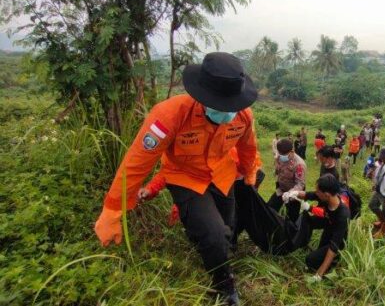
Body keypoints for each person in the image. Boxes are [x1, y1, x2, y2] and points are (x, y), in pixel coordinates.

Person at [93, 52, 259, 305]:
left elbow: (248, 147)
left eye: (232, 108)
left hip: (223, 176)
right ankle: (224, 287)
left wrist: (248, 171)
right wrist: (113, 208)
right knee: (214, 234)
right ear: (202, 97)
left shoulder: (244, 116)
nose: (228, 114)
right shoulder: (169, 115)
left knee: (226, 227)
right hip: (185, 177)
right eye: (222, 107)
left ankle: (207, 242)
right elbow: (138, 160)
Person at [293, 174, 350, 281]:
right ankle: (302, 242)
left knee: (310, 260)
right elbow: (309, 195)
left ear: (327, 194)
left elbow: (334, 246)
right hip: (328, 226)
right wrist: (293, 194)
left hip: (338, 241)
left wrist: (319, 274)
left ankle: (335, 261)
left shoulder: (342, 215)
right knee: (305, 217)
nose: (316, 193)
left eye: (318, 191)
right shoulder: (327, 197)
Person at [267, 139, 307, 223]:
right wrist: (276, 171)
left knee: (292, 217)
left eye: (284, 155)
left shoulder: (299, 164)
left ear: (291, 151)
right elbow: (278, 166)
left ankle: (291, 234)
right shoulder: (279, 156)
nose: (281, 156)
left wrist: (290, 194)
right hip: (281, 189)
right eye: (280, 154)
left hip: (294, 194)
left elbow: (300, 183)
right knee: (269, 209)